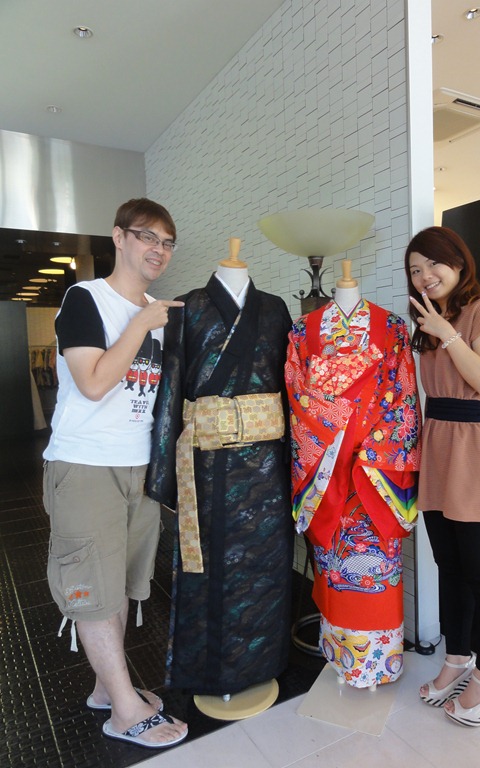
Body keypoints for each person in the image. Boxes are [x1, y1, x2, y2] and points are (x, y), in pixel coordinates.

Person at [42, 198, 188, 749]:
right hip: (85, 465)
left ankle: (109, 689)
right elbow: (95, 383)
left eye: (167, 242)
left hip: (137, 467)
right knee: (94, 592)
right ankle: (125, 711)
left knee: (122, 586)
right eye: (147, 236)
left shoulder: (157, 311)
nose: (158, 249)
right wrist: (142, 324)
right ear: (119, 237)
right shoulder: (85, 299)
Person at [146, 239, 294, 703]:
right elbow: (171, 386)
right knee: (209, 568)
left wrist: (300, 465)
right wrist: (163, 468)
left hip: (266, 468)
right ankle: (211, 674)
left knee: (267, 565)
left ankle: (263, 662)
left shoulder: (275, 309)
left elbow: (291, 386)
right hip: (207, 465)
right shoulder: (187, 307)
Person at [284, 259, 420, 689]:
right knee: (334, 568)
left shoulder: (393, 327)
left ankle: (380, 663)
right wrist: (341, 434)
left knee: (378, 570)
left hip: (373, 472)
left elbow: (403, 397)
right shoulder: (303, 330)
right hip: (328, 471)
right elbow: (296, 394)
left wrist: (366, 445)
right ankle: (341, 657)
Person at [405, 225, 480, 727]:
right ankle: (457, 660)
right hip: (439, 448)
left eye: (433, 263)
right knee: (449, 568)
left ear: (457, 262)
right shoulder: (433, 320)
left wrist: (447, 333)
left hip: (477, 450)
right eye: (415, 270)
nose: (425, 276)